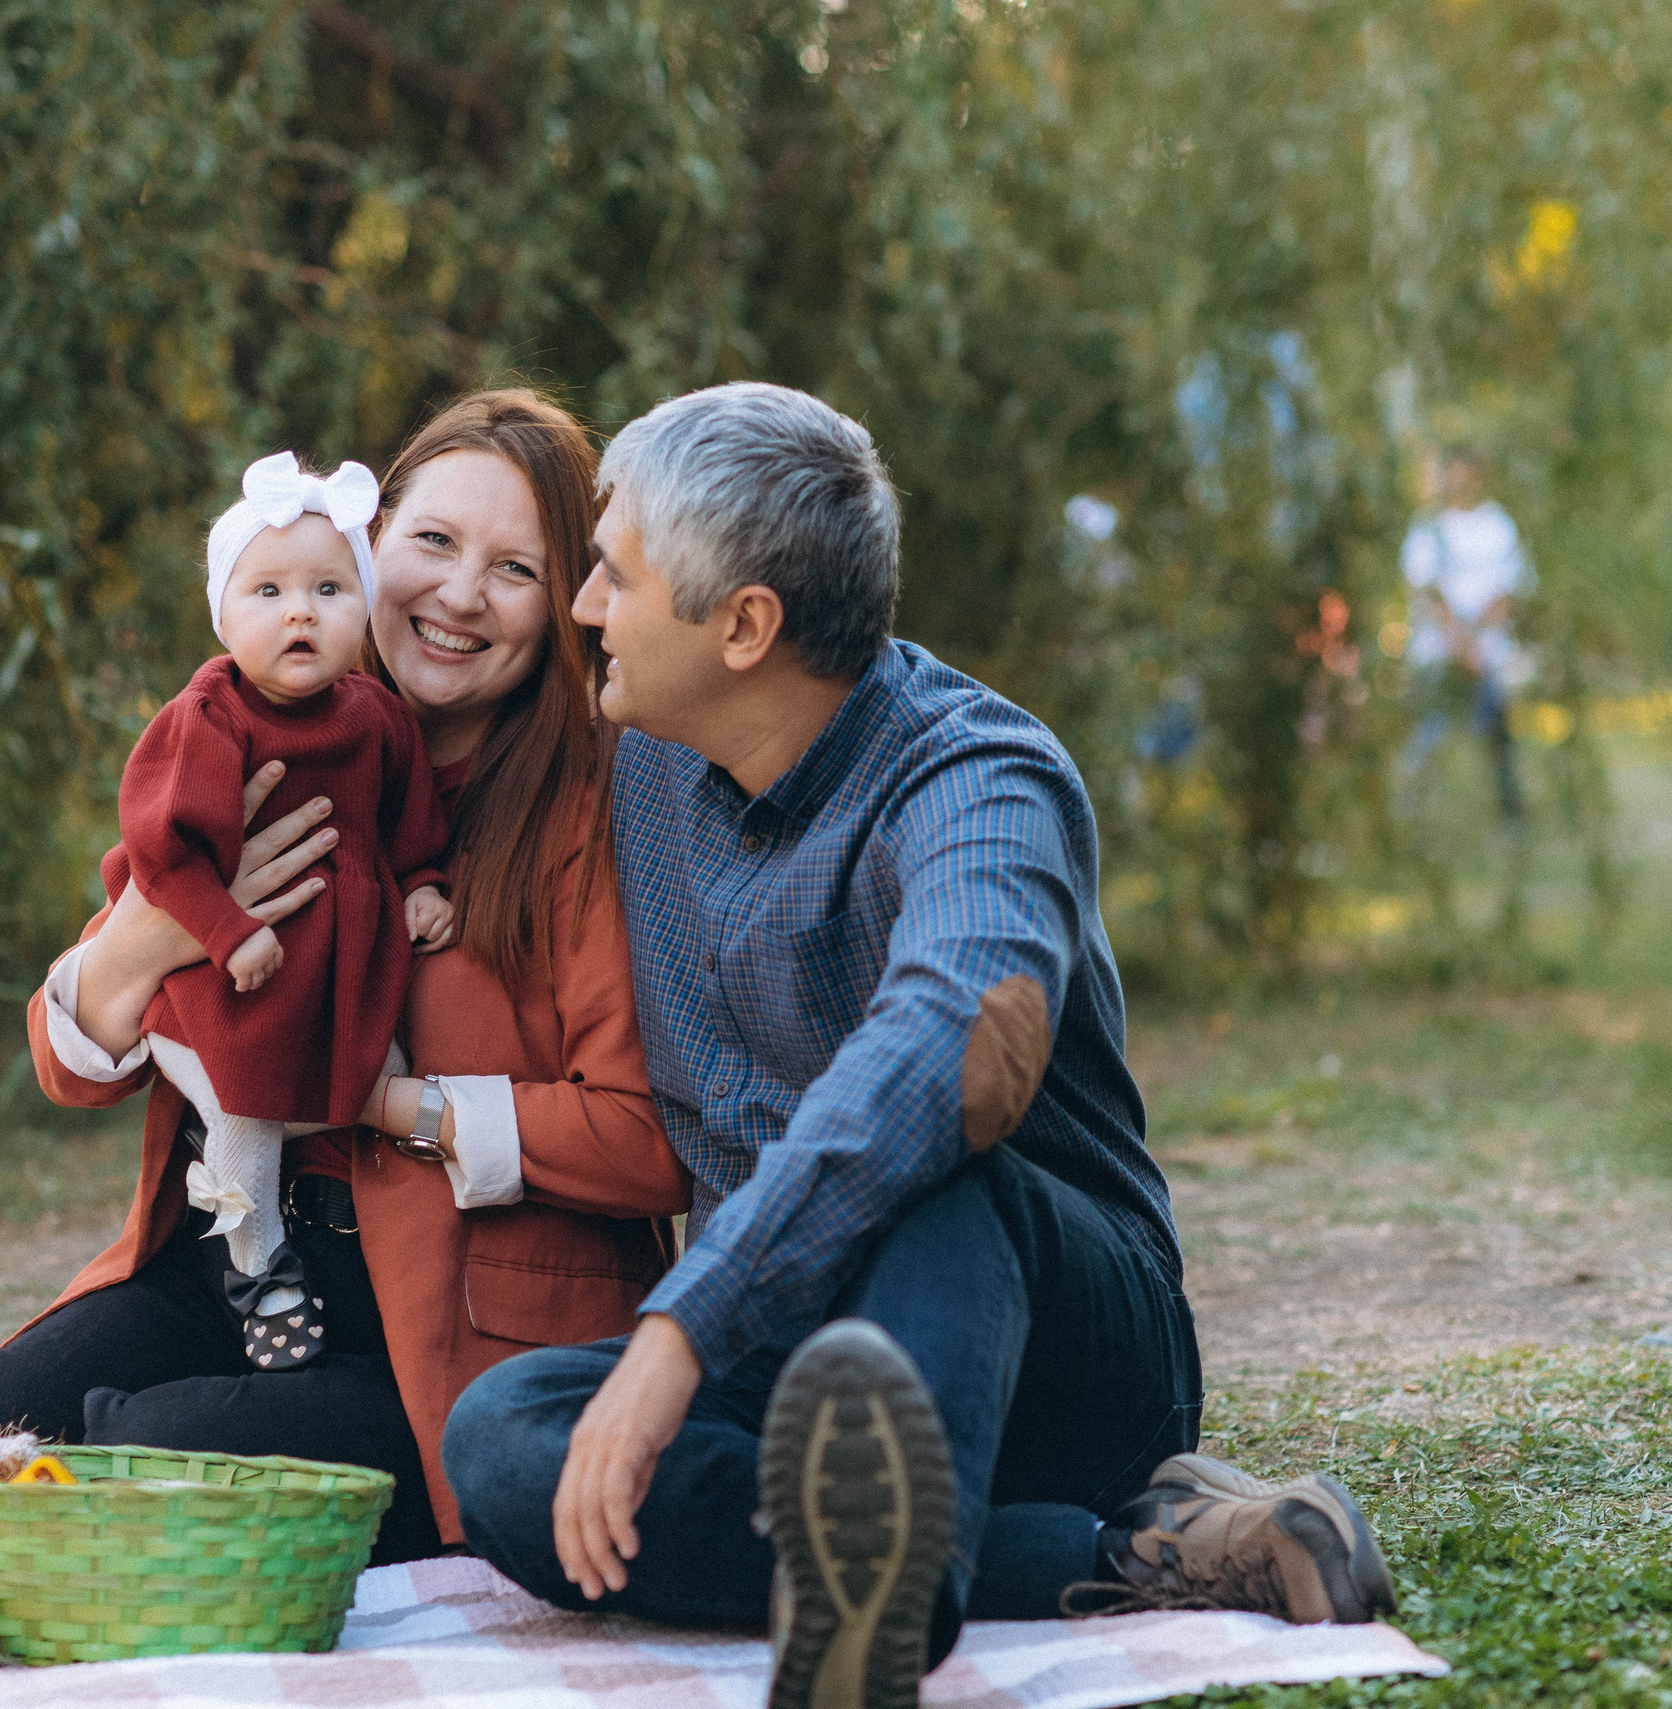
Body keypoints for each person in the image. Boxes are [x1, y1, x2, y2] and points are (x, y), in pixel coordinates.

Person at [442, 383, 1394, 1709]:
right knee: (503, 1440)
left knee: (933, 1154)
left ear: (746, 626)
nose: (584, 605)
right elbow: (403, 699)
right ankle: (1135, 1546)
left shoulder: (979, 779)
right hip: (797, 1353)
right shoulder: (647, 746)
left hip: (1051, 1343)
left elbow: (954, 1046)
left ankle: (874, 1629)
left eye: (613, 575)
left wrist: (679, 1335)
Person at [0, 390, 692, 1597]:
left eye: (515, 567)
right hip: (232, 1266)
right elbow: (72, 1060)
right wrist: (149, 936)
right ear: (369, 549)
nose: (459, 594)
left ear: (565, 599)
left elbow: (647, 1139)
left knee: (148, 1456)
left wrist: (400, 1105)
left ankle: (107, 1410)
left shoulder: (599, 805)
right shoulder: (250, 728)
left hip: (447, 1334)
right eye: (430, 544)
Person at [104, 452, 453, 1371]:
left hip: (337, 964)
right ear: (223, 616)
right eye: (267, 590)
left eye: (330, 588)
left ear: (363, 610)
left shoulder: (377, 717)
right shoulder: (209, 716)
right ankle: (261, 1271)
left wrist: (422, 885)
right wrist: (227, 930)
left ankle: (395, 1263)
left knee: (390, 1069)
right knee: (245, 1109)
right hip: (230, 974)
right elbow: (163, 852)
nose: (300, 610)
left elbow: (411, 819)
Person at [1398, 447, 1535, 824]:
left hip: (1488, 655)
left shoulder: (1499, 526)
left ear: (1478, 476)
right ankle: (1410, 820)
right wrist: (1459, 644)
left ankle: (1511, 820)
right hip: (1437, 654)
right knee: (1427, 738)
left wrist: (1475, 645)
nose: (1457, 480)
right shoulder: (1427, 528)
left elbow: (1510, 590)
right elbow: (1425, 591)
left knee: (1498, 740)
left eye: (1465, 472)